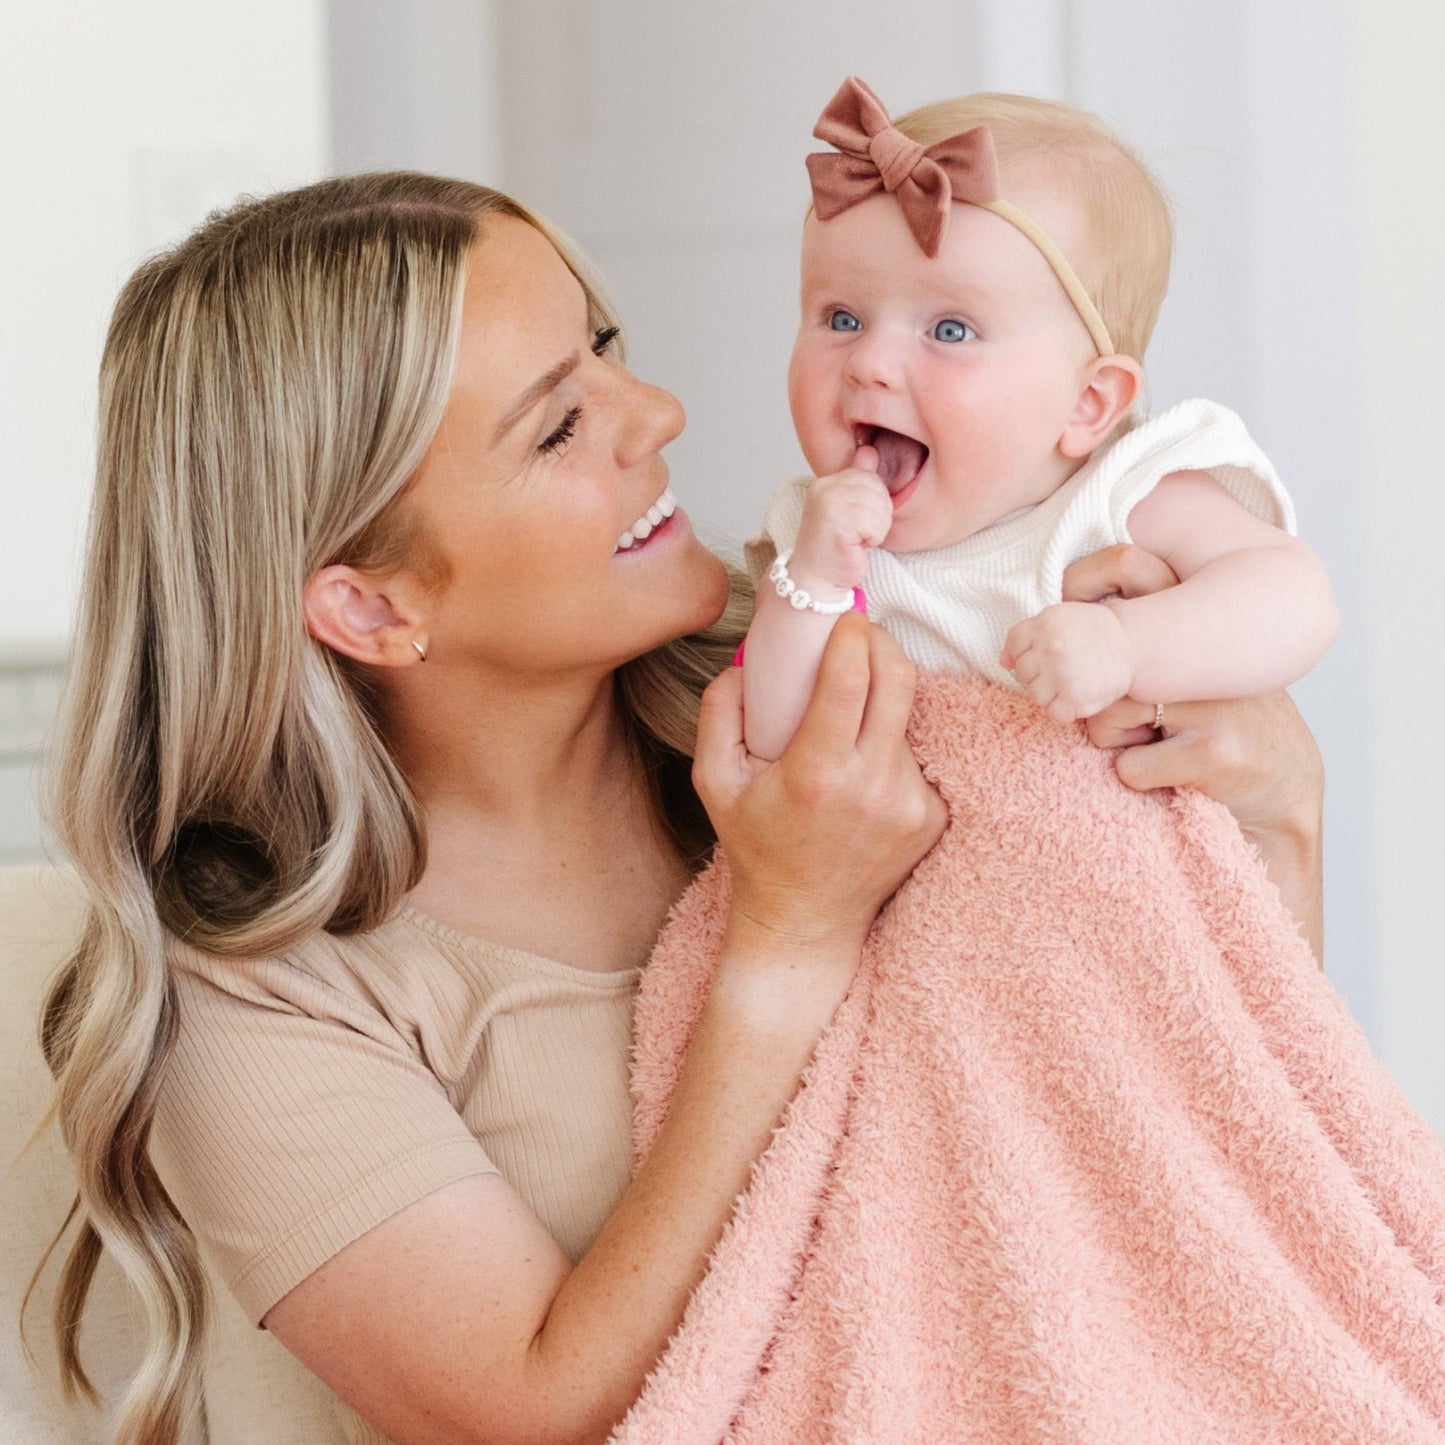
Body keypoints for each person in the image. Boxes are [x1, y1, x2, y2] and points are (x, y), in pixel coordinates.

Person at [35, 171, 1327, 1445]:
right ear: (373, 603)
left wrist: (1276, 812)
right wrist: (789, 930)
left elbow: (1190, 1113)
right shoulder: (251, 992)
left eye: (604, 348)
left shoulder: (849, 690)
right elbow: (538, 1408)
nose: (660, 412)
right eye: (557, 426)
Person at [740, 78, 1340, 761]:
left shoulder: (1122, 494)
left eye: (949, 330)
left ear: (1088, 404)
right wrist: (814, 584)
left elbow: (1297, 602)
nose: (870, 362)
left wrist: (1127, 643)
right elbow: (771, 748)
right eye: (842, 318)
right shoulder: (816, 540)